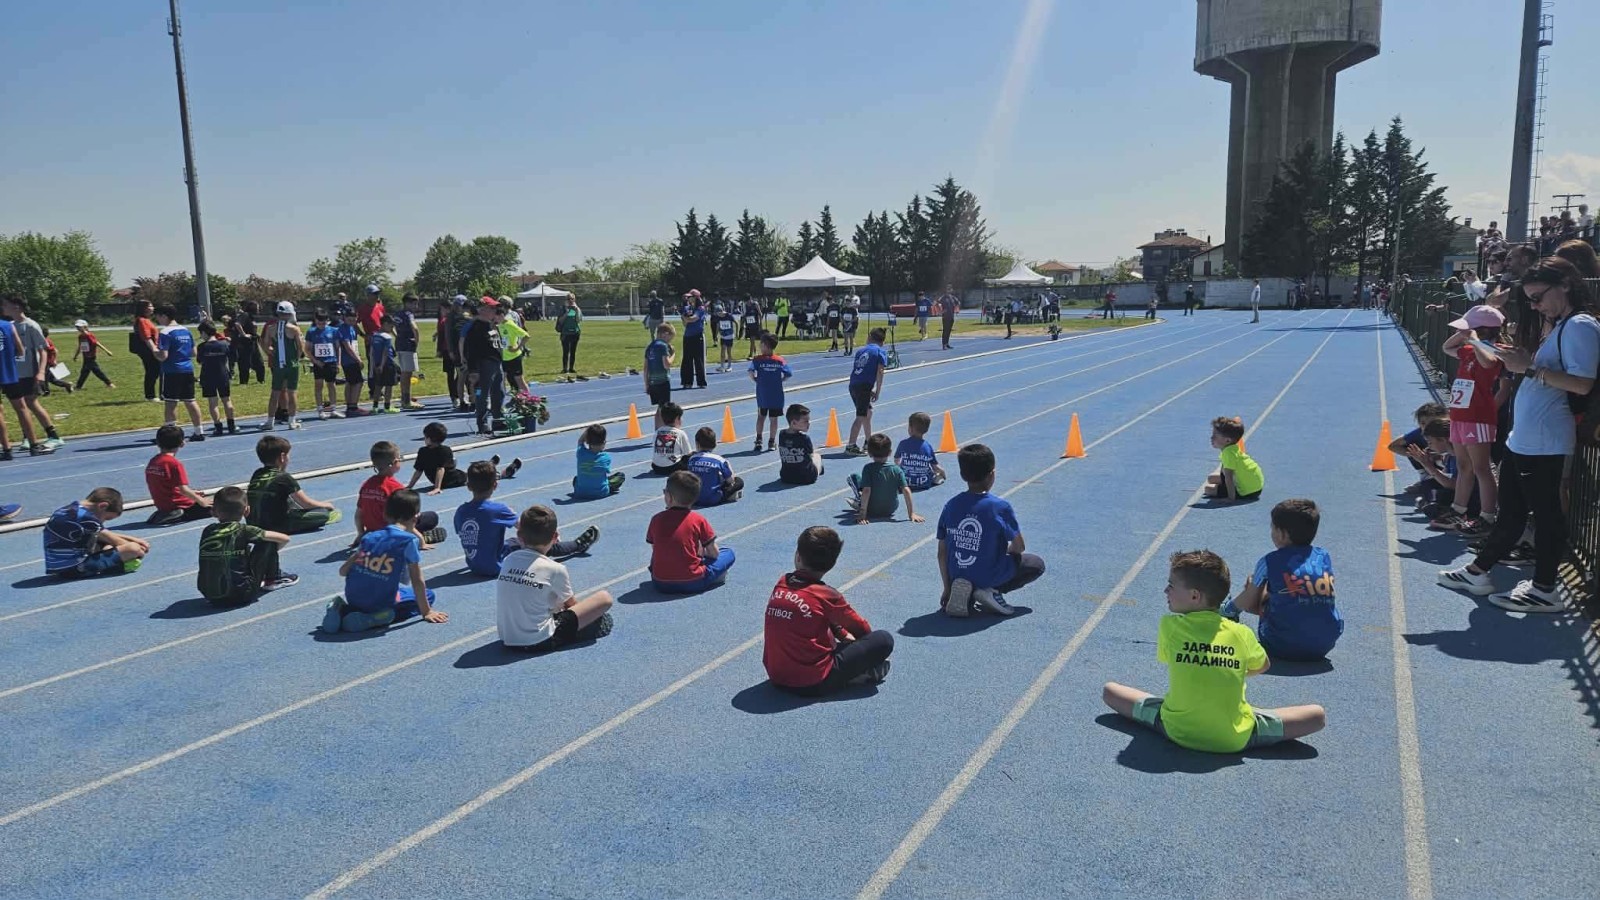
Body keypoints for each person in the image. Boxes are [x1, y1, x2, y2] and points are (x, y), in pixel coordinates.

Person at [1439, 257, 1599, 612]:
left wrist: (1529, 368)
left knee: (1546, 514)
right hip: (1525, 437)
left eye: (1538, 297)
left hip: (1544, 439)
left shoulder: (1580, 325)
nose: (1535, 306)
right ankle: (1478, 571)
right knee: (1512, 512)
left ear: (1565, 285)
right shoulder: (1560, 325)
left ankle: (1545, 588)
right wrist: (1522, 361)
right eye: (1529, 300)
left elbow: (1582, 383)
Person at [1102, 550, 1327, 753]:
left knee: (1110, 691)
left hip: (1177, 730)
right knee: (1317, 716)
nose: (1165, 590)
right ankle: (1237, 715)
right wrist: (1231, 669)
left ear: (1194, 596)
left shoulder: (1169, 626)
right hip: (1234, 737)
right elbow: (1263, 665)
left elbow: (1175, 662)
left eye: (1171, 585)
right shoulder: (1241, 633)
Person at [762, 526, 894, 695]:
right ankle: (857, 676)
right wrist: (863, 650)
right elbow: (862, 629)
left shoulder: (782, 582)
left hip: (776, 676)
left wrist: (840, 633)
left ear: (798, 557)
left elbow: (809, 613)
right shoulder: (827, 595)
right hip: (813, 683)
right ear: (832, 564)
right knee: (883, 639)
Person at [1221, 499, 1343, 660]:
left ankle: (1228, 612)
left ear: (1282, 534)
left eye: (1272, 528)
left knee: (1254, 583)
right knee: (1296, 591)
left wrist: (1228, 610)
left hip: (1281, 644)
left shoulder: (1270, 561)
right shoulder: (1323, 556)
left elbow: (1249, 599)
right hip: (1324, 644)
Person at [936, 443, 1046, 617]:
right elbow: (1019, 547)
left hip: (957, 574)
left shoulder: (950, 505)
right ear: (992, 475)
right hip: (988, 574)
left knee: (972, 564)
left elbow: (942, 552)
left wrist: (947, 588)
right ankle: (989, 591)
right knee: (1036, 564)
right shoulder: (1000, 507)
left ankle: (965, 592)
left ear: (962, 474)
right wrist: (1008, 553)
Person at [322, 489, 447, 634]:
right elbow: (417, 580)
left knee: (382, 589)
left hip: (354, 598)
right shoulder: (408, 541)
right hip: (379, 603)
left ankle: (341, 609)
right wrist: (427, 612)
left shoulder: (369, 537)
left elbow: (343, 571)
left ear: (385, 514)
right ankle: (372, 619)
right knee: (429, 595)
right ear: (416, 517)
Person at [496, 504, 615, 652]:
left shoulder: (509, 560)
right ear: (555, 537)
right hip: (539, 641)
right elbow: (572, 606)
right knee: (604, 599)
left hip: (507, 638)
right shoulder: (555, 569)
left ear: (519, 536)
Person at [457, 460, 600, 576]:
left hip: (473, 565)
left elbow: (471, 536)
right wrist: (548, 536)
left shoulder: (460, 511)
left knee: (511, 542)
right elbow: (526, 528)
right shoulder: (497, 509)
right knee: (537, 541)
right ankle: (577, 545)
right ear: (495, 485)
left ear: (468, 486)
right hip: (496, 566)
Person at [1435, 305, 1505, 532]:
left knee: (1481, 468)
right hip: (1460, 414)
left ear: (1483, 330)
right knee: (1463, 464)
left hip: (1478, 417)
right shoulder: (1467, 350)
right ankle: (1458, 510)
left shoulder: (1496, 350)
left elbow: (1489, 363)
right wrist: (1463, 333)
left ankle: (1487, 516)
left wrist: (1475, 339)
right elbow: (1447, 347)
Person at [197, 486, 296, 606]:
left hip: (210, 596)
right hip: (242, 594)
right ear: (247, 510)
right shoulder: (244, 530)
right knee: (268, 542)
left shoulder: (208, 530)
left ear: (213, 511)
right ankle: (273, 579)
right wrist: (269, 556)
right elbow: (285, 538)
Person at [647, 470, 736, 594]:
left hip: (660, 583)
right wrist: (701, 553)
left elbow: (655, 548)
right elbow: (714, 554)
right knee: (728, 553)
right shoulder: (698, 520)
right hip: (693, 582)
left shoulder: (656, 519)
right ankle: (712, 577)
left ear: (669, 497)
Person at [357, 440, 445, 550]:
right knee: (432, 517)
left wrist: (361, 533)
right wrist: (421, 541)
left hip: (373, 531)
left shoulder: (366, 485)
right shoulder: (396, 488)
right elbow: (407, 519)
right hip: (392, 532)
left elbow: (358, 513)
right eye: (400, 458)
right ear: (394, 463)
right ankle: (413, 538)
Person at [2, 296, 64, 452]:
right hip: (15, 372)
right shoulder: (10, 325)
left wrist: (41, 372)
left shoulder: (30, 325)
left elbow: (43, 350)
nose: (3, 307)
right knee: (22, 405)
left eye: (6, 305)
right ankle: (28, 437)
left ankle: (53, 435)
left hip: (29, 371)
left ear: (16, 307)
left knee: (30, 402)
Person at [43, 487, 149, 577]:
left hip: (57, 566)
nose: (103, 522)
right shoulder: (87, 518)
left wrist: (134, 539)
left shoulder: (69, 510)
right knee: (133, 549)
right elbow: (118, 542)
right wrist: (139, 550)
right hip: (75, 568)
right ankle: (114, 567)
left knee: (107, 544)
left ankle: (108, 561)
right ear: (103, 506)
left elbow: (103, 533)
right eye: (106, 518)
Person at [246, 435, 341, 534]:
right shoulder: (284, 477)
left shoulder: (257, 473)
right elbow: (306, 503)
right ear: (282, 457)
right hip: (276, 525)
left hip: (254, 523)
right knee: (323, 514)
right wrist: (326, 505)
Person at [151, 305, 207, 442]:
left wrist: (153, 350)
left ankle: (170, 434)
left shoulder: (165, 332)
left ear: (164, 316)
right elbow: (193, 353)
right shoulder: (185, 330)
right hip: (187, 369)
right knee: (190, 400)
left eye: (158, 317)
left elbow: (163, 356)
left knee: (171, 402)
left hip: (171, 370)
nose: (157, 320)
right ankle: (199, 431)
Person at [145, 424, 213, 526]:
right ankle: (178, 514)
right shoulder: (174, 464)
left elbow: (164, 485)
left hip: (162, 505)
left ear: (158, 443)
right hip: (179, 505)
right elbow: (183, 489)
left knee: (197, 497)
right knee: (218, 506)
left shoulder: (153, 461)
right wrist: (201, 501)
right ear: (182, 443)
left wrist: (193, 493)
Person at [848, 433, 921, 524]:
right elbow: (906, 490)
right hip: (891, 508)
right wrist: (911, 513)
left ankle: (859, 501)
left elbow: (866, 490)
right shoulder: (897, 469)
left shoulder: (868, 468)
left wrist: (862, 513)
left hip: (872, 509)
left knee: (854, 477)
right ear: (890, 453)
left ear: (870, 453)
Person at [257, 301, 304, 429]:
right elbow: (300, 347)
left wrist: (271, 353)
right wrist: (296, 358)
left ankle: (270, 421)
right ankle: (292, 421)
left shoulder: (271, 328)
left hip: (278, 363)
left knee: (275, 392)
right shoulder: (294, 329)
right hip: (292, 363)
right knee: (292, 391)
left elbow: (265, 344)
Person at [464, 297, 507, 434]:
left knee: (499, 393)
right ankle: (482, 423)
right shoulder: (475, 328)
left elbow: (497, 344)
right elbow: (470, 351)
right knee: (482, 395)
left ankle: (498, 420)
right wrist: (473, 370)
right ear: (482, 310)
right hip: (483, 365)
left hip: (496, 364)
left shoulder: (492, 326)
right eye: (492, 308)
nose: (495, 311)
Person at [845, 327, 890, 455]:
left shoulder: (860, 351)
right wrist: (877, 391)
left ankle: (868, 441)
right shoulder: (880, 352)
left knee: (868, 412)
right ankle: (851, 445)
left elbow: (859, 370)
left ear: (869, 337)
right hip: (864, 386)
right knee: (861, 415)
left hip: (854, 384)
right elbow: (880, 372)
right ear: (883, 342)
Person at [749, 333, 792, 452]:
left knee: (761, 417)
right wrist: (781, 380)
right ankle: (772, 442)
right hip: (776, 394)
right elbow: (789, 373)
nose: (759, 346)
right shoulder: (779, 360)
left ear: (765, 345)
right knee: (774, 419)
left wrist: (755, 380)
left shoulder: (757, 360)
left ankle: (758, 440)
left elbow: (750, 371)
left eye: (760, 344)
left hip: (762, 394)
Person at [1204, 416, 1263, 502]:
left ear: (1228, 440)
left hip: (1248, 491)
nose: (1211, 438)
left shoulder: (1228, 454)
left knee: (1208, 489)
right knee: (1211, 478)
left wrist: (1230, 498)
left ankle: (1234, 492)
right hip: (1256, 486)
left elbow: (1229, 478)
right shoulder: (1231, 448)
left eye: (1215, 436)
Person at [196, 321, 237, 435]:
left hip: (208, 376)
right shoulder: (224, 344)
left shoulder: (202, 347)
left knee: (213, 403)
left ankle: (218, 427)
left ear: (204, 333)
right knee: (227, 400)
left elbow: (200, 361)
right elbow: (233, 356)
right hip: (222, 374)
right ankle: (231, 425)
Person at [686, 427, 744, 506]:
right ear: (715, 444)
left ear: (697, 444)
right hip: (713, 499)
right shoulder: (719, 460)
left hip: (694, 499)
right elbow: (730, 480)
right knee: (739, 481)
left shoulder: (692, 459)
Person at [895, 411, 947, 490]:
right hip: (924, 483)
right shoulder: (927, 446)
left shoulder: (903, 444)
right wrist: (943, 473)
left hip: (905, 482)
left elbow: (896, 460)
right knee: (936, 475)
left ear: (910, 429)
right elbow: (935, 466)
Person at [332, 306, 367, 418]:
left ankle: (350, 405)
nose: (352, 322)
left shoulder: (352, 328)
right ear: (344, 318)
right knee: (358, 382)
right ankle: (353, 406)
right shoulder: (344, 329)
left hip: (352, 358)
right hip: (349, 360)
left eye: (353, 320)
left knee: (351, 382)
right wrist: (358, 359)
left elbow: (353, 344)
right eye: (349, 320)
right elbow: (347, 346)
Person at [573, 423, 627, 498]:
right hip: (601, 492)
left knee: (576, 479)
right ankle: (610, 488)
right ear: (604, 442)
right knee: (620, 476)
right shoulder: (606, 457)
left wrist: (588, 431)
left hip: (580, 492)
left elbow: (580, 441)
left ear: (587, 441)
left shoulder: (581, 453)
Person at [305, 310, 341, 419]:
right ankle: (320, 410)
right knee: (318, 385)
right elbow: (307, 349)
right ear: (315, 321)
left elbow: (337, 348)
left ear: (327, 321)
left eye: (324, 323)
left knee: (331, 385)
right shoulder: (311, 332)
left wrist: (338, 363)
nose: (321, 325)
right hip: (318, 363)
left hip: (331, 361)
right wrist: (315, 361)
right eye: (319, 323)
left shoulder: (334, 331)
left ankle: (333, 409)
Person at [778, 403, 824, 485]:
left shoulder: (781, 435)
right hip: (806, 478)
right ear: (793, 423)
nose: (809, 423)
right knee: (817, 456)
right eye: (806, 421)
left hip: (786, 477)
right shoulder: (805, 439)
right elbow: (811, 454)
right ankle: (819, 469)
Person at [642, 322, 677, 430]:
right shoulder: (662, 346)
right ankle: (662, 430)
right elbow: (666, 364)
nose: (670, 341)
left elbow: (645, 367)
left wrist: (646, 384)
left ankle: (657, 429)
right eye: (670, 337)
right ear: (665, 334)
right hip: (662, 381)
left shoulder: (650, 346)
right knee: (664, 409)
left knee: (659, 408)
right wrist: (673, 354)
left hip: (652, 381)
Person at [393, 294, 424, 410]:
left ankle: (405, 397)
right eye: (414, 304)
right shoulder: (408, 314)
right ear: (407, 303)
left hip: (399, 344)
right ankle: (406, 401)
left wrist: (397, 335)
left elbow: (392, 326)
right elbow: (414, 328)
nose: (416, 306)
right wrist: (416, 341)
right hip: (408, 345)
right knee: (407, 373)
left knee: (404, 372)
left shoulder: (397, 314)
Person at [496, 303, 530, 395]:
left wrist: (517, 347)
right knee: (503, 379)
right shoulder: (499, 326)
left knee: (519, 379)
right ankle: (509, 398)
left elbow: (526, 336)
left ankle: (528, 399)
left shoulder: (510, 324)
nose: (495, 320)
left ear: (502, 315)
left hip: (514, 356)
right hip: (504, 357)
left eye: (496, 317)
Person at [132, 299, 164, 400]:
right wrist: (154, 349)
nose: (152, 308)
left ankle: (152, 395)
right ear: (144, 308)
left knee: (153, 371)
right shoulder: (142, 320)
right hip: (148, 350)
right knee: (152, 371)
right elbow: (146, 337)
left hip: (150, 349)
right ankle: (150, 396)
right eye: (150, 306)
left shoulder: (146, 320)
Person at [71, 319, 115, 390]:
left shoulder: (89, 335)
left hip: (91, 356)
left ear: (85, 327)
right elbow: (80, 347)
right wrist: (75, 356)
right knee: (88, 371)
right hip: (86, 356)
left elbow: (96, 343)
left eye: (79, 327)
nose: (78, 328)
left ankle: (109, 383)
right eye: (77, 327)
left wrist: (107, 351)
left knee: (92, 371)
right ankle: (79, 386)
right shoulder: (80, 336)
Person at [368, 315, 399, 413]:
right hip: (387, 363)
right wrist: (382, 365)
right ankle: (387, 407)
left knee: (378, 386)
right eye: (391, 326)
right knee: (389, 385)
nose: (392, 329)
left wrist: (375, 365)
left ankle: (375, 407)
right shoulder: (387, 337)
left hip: (377, 363)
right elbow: (385, 352)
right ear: (385, 324)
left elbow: (372, 352)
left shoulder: (375, 335)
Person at [652, 400, 691, 475]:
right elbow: (688, 453)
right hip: (673, 467)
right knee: (690, 457)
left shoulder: (657, 432)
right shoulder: (680, 433)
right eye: (680, 418)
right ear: (677, 419)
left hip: (656, 467)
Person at [679, 293, 708, 389]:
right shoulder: (687, 308)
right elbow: (685, 323)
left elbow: (693, 319)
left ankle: (701, 382)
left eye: (690, 297)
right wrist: (684, 316)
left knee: (699, 359)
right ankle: (687, 382)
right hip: (688, 336)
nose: (688, 298)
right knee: (687, 359)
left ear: (695, 298)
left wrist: (685, 317)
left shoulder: (700, 309)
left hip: (698, 336)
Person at [556, 295, 583, 374]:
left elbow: (578, 320)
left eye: (572, 299)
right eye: (568, 299)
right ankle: (565, 368)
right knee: (565, 351)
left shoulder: (577, 309)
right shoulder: (563, 309)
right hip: (565, 333)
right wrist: (567, 313)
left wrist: (576, 310)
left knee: (573, 351)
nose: (570, 300)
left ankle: (571, 368)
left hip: (575, 332)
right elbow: (560, 321)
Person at [714, 303, 737, 373]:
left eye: (717, 313)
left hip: (730, 336)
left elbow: (736, 323)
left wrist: (737, 333)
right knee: (722, 351)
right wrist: (716, 335)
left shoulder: (729, 316)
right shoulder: (718, 317)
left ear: (720, 311)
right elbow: (718, 326)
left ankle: (729, 366)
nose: (717, 314)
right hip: (723, 336)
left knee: (729, 352)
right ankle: (722, 366)